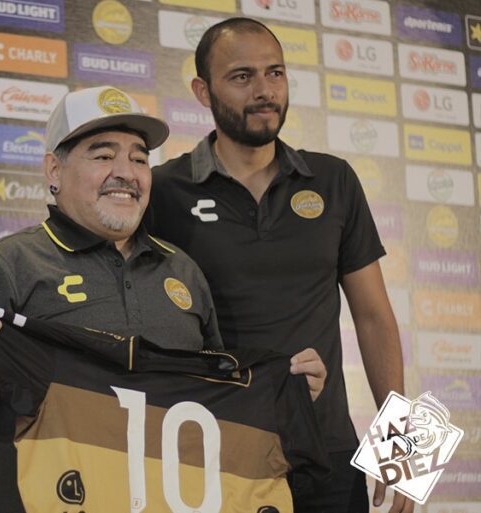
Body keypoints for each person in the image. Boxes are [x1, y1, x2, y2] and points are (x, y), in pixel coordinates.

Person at [0, 86, 327, 511]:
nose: (127, 173)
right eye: (103, 156)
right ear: (54, 170)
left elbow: (216, 403)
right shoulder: (6, 265)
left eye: (139, 159)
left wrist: (283, 395)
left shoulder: (184, 272)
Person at [146, 17, 411, 513]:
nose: (264, 91)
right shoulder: (162, 190)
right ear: (202, 92)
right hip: (214, 457)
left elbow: (375, 317)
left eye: (275, 73)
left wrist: (405, 446)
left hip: (328, 455)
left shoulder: (334, 179)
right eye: (242, 76)